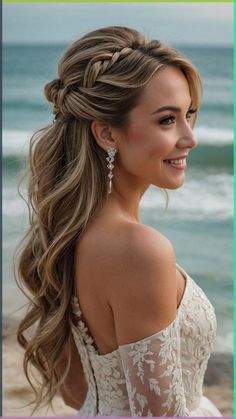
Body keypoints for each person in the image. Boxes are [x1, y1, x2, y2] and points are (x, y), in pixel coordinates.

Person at [14, 26, 222, 416]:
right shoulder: (139, 250)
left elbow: (78, 391)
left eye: (189, 114)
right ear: (107, 133)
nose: (190, 137)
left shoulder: (70, 237)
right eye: (167, 120)